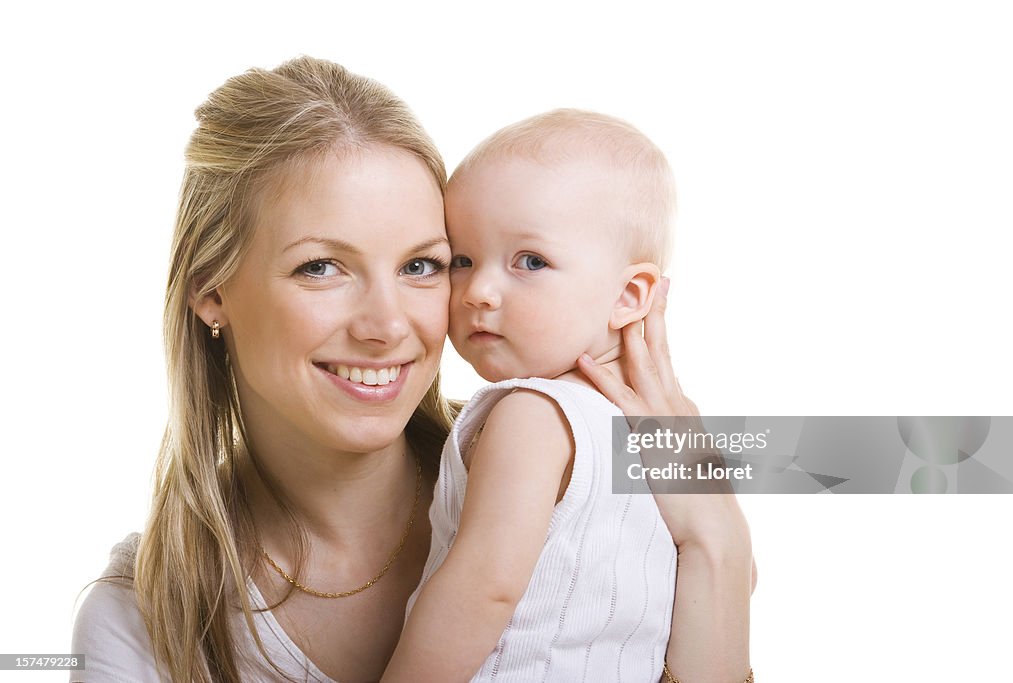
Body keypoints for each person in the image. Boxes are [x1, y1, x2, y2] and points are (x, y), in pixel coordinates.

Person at [71, 57, 753, 683]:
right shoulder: (139, 620)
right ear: (212, 289)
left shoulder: (581, 458)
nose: (388, 325)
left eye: (420, 264)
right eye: (321, 267)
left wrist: (715, 529)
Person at [383, 110, 679, 682]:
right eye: (462, 261)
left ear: (629, 296)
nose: (479, 292)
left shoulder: (533, 413)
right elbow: (727, 574)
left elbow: (484, 588)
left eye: (531, 261)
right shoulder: (655, 431)